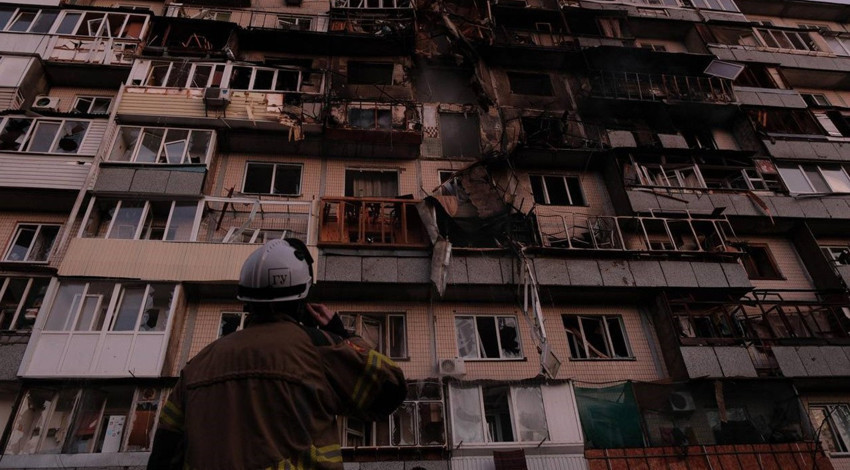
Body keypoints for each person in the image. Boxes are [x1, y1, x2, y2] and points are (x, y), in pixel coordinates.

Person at [147, 239, 406, 470]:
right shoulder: (318, 349)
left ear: (247, 301)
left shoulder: (198, 365)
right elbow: (390, 388)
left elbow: (164, 455)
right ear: (302, 300)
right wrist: (342, 334)